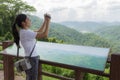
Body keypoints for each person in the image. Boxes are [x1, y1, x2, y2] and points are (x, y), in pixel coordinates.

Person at [12, 13, 51, 80]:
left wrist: (45, 20)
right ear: (23, 23)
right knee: (32, 78)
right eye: (27, 19)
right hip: (32, 59)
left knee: (29, 77)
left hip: (28, 58)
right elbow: (45, 34)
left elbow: (40, 31)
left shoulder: (23, 31)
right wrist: (48, 21)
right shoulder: (26, 33)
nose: (30, 20)